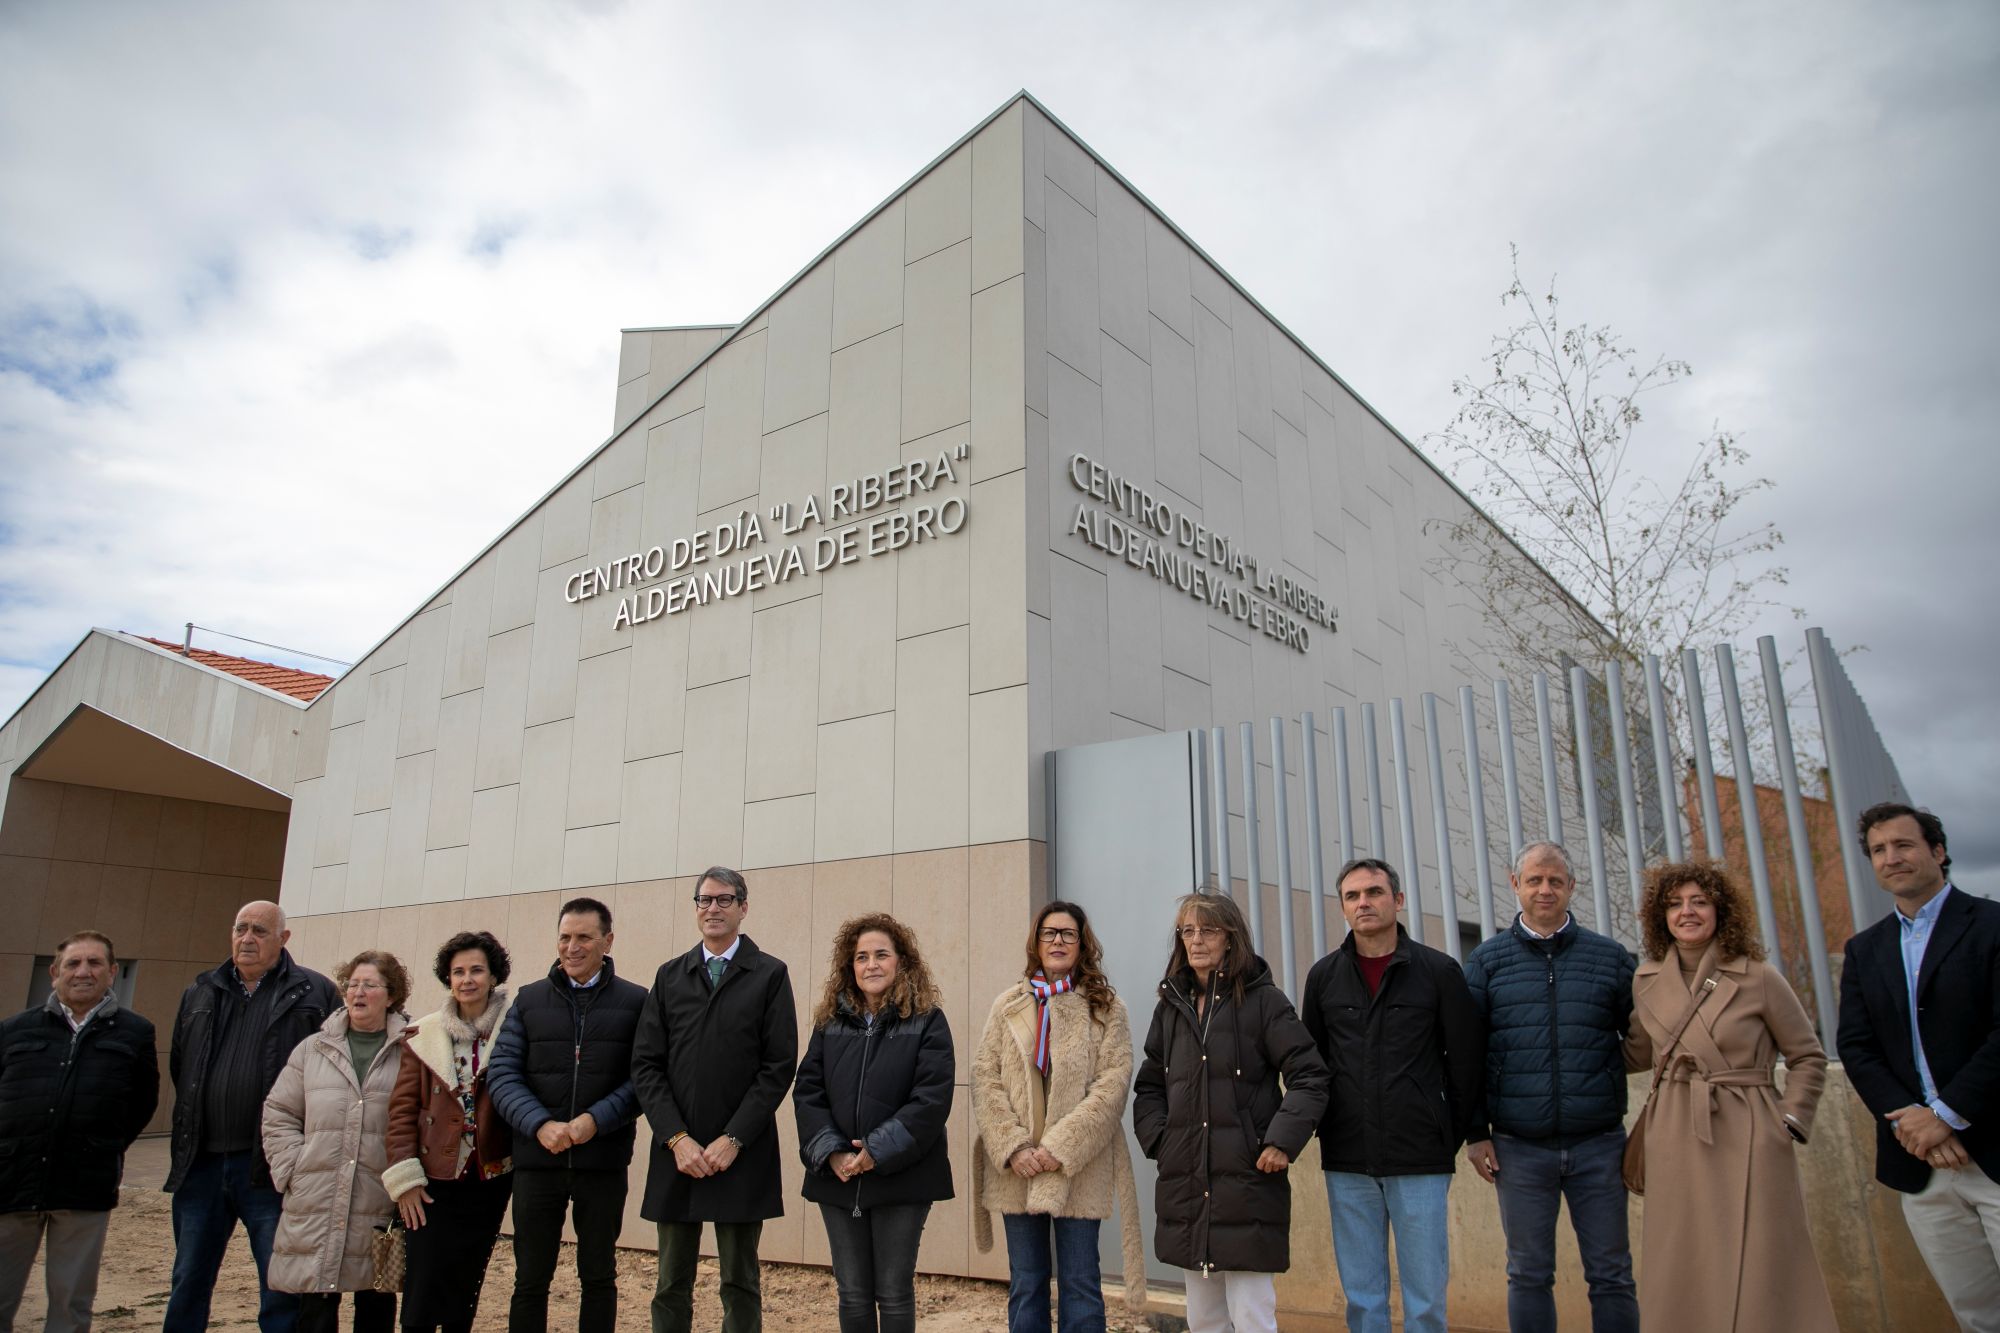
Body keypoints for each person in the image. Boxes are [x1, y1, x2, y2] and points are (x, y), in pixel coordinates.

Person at [1625, 860, 1836, 1330]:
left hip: (1750, 1129)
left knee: (1762, 1257)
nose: (1687, 912)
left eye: (1699, 901)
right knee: (1681, 1257)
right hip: (1674, 1132)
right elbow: (1637, 1055)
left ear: (1722, 910)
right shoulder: (1645, 981)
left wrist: (1787, 1122)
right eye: (1675, 904)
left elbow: (1807, 1056)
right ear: (1660, 916)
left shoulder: (1759, 976)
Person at [1132, 892, 1328, 1333]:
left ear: (1231, 937)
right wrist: (1162, 1142)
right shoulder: (1172, 1008)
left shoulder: (1264, 1002)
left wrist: (1281, 1140)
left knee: (1252, 1314)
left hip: (1248, 1183)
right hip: (1186, 1183)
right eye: (1188, 931)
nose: (1196, 940)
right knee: (1204, 1319)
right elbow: (1149, 1086)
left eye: (1209, 930)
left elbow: (1311, 1076)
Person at [1300, 860, 1483, 1333]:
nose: (1364, 902)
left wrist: (1453, 1135)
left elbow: (1465, 1063)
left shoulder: (1439, 971)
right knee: (1363, 1298)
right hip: (1348, 1157)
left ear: (1397, 900)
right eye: (1352, 896)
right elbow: (1312, 1065)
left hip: (1420, 1156)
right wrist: (1323, 1128)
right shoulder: (1323, 977)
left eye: (1374, 892)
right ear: (1342, 907)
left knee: (1425, 1299)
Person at [1462, 842, 1637, 1333]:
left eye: (1555, 881)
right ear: (1514, 883)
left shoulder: (1610, 959)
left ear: (1570, 887)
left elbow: (1642, 1037)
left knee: (1612, 1275)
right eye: (1534, 880)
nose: (1545, 890)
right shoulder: (1486, 962)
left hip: (1600, 1146)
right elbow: (1467, 1056)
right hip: (1518, 1148)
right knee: (1528, 1274)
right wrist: (1476, 1132)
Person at [1838, 803, 2000, 1330]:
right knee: (1975, 1316)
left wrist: (1948, 1114)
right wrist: (1913, 1119)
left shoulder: (1993, 925)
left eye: (1904, 845)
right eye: (1880, 850)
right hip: (1921, 1164)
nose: (1892, 858)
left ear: (1938, 851)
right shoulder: (1864, 950)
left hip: (1994, 1150)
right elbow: (1857, 1047)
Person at [632, 867, 799, 1333]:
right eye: (704, 900)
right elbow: (646, 1065)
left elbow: (777, 1066)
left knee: (740, 1281)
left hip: (740, 1153)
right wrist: (676, 1138)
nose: (713, 909)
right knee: (670, 1282)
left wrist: (733, 1138)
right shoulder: (670, 977)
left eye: (724, 900)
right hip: (677, 1153)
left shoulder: (769, 974)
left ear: (743, 908)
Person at [972, 900, 1148, 1332]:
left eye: (1068, 934)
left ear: (1082, 943)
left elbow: (1112, 1085)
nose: (1058, 941)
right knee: (1027, 1282)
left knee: (1080, 1281)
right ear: (1036, 941)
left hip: (1078, 1165)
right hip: (1019, 1167)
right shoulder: (1008, 1005)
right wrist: (1013, 1146)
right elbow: (984, 1076)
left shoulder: (1107, 1008)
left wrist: (1059, 1148)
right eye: (1049, 933)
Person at [165, 899, 340, 1333]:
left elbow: (332, 1076)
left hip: (271, 1168)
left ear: (283, 939)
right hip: (201, 1165)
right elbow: (180, 1065)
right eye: (241, 928)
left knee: (280, 1285)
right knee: (188, 1280)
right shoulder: (200, 991)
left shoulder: (315, 994)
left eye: (260, 931)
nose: (247, 939)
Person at [486, 896, 647, 1333]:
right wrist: (539, 1124)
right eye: (564, 937)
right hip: (538, 1162)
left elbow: (644, 1079)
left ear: (607, 941)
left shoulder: (637, 1002)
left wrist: (595, 1120)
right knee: (530, 1279)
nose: (572, 947)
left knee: (598, 1276)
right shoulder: (529, 1000)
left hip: (603, 1161)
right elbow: (501, 1073)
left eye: (584, 938)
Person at [793, 914, 955, 1333]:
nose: (871, 964)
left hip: (902, 1177)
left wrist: (876, 1151)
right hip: (839, 1176)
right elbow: (807, 1091)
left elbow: (931, 1099)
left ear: (902, 961)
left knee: (894, 1292)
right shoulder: (829, 1023)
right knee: (852, 1292)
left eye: (881, 954)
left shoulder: (927, 1020)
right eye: (861, 957)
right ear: (851, 966)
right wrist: (832, 1152)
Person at [0, 931, 158, 1333]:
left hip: (84, 1186)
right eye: (73, 964)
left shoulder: (135, 1033)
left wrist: (100, 1148)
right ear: (55, 973)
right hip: (11, 1182)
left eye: (94, 963)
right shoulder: (14, 1031)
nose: (83, 972)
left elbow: (142, 1103)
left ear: (112, 972)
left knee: (71, 1306)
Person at [261, 949, 412, 1333]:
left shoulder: (410, 1051)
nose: (358, 992)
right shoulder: (313, 1049)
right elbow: (279, 1112)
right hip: (317, 1197)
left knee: (377, 1303)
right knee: (316, 1304)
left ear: (391, 995)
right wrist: (293, 1166)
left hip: (379, 1199)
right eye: (352, 984)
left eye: (370, 985)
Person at [384, 931, 517, 1333]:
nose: (467, 979)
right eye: (458, 972)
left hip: (489, 1178)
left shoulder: (514, 1029)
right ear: (448, 979)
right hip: (431, 1181)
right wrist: (404, 1179)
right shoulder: (422, 1036)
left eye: (477, 970)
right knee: (423, 1287)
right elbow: (402, 1112)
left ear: (493, 976)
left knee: (466, 1282)